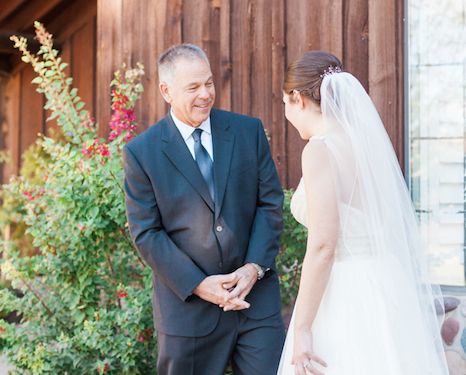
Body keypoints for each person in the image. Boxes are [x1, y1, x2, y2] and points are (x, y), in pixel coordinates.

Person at [277, 51, 449, 375]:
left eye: (285, 103)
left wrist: (302, 328)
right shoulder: (367, 147)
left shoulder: (319, 150)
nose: (286, 112)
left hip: (346, 291)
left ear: (298, 99)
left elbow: (324, 245)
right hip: (387, 282)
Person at [123, 43, 286, 374]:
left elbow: (269, 204)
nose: (205, 94)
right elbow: (147, 232)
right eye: (193, 87)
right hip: (189, 313)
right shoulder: (142, 152)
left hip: (256, 304)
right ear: (166, 91)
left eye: (209, 83)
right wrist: (199, 284)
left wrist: (253, 268)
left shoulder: (247, 131)